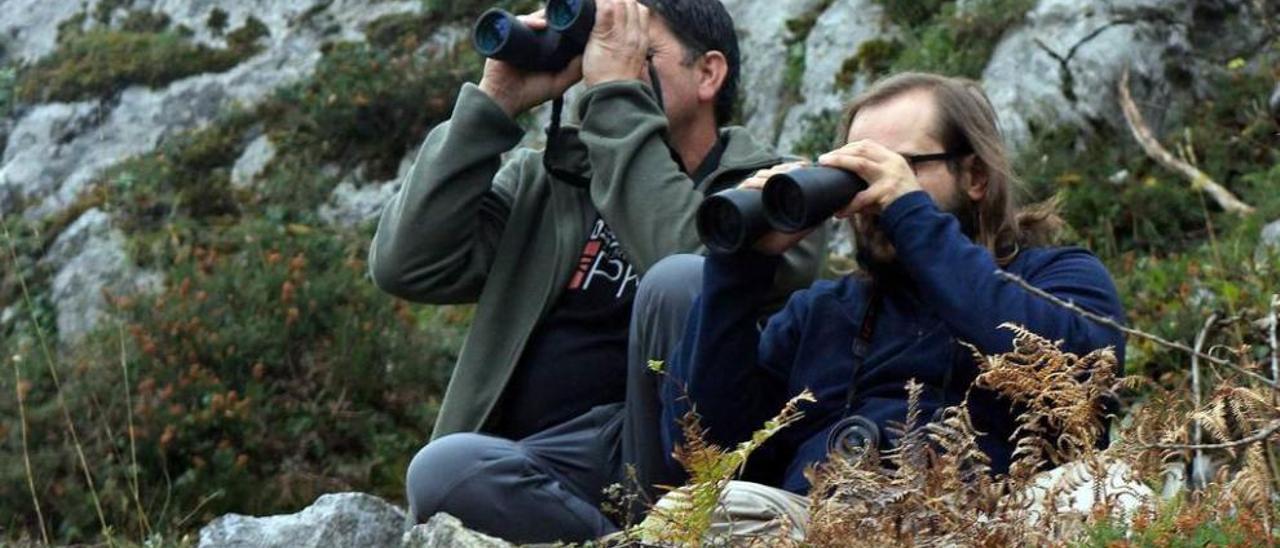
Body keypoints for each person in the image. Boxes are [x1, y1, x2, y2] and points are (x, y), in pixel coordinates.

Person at [367, 0, 825, 542]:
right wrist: (495, 103)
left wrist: (614, 99)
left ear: (708, 73)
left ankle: (665, 533)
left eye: (637, 51)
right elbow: (409, 265)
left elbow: (698, 268)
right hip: (529, 467)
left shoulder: (777, 196)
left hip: (673, 475)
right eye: (601, 50)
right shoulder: (550, 179)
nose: (609, 64)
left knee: (680, 281)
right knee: (443, 470)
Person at [654, 72, 1127, 539]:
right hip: (816, 526)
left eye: (900, 164)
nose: (875, 190)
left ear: (976, 176)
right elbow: (704, 456)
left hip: (994, 522)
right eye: (856, 172)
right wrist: (737, 270)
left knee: (1105, 493)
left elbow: (1077, 381)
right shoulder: (820, 312)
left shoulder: (1057, 277)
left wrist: (911, 214)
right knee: (690, 515)